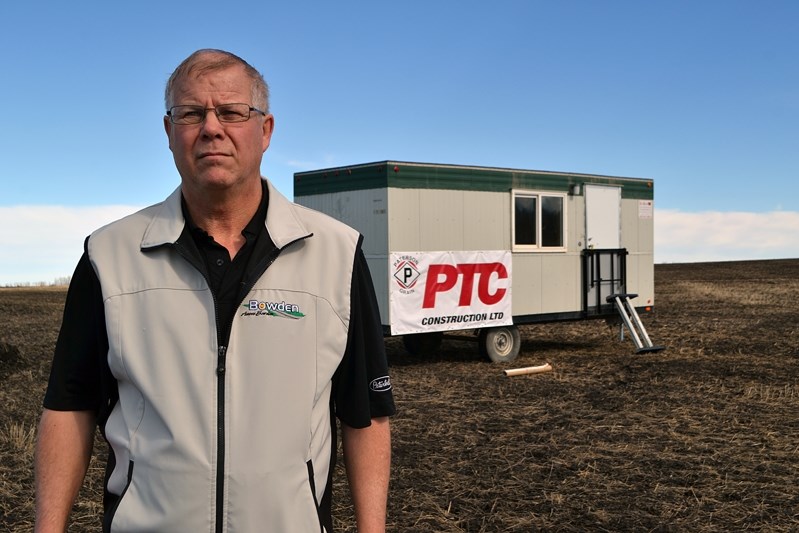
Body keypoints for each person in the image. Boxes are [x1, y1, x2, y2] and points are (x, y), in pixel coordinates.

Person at [34, 49, 395, 533]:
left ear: (264, 131)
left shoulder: (336, 253)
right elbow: (69, 407)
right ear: (168, 133)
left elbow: (365, 415)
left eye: (231, 112)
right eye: (190, 113)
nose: (211, 128)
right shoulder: (109, 256)